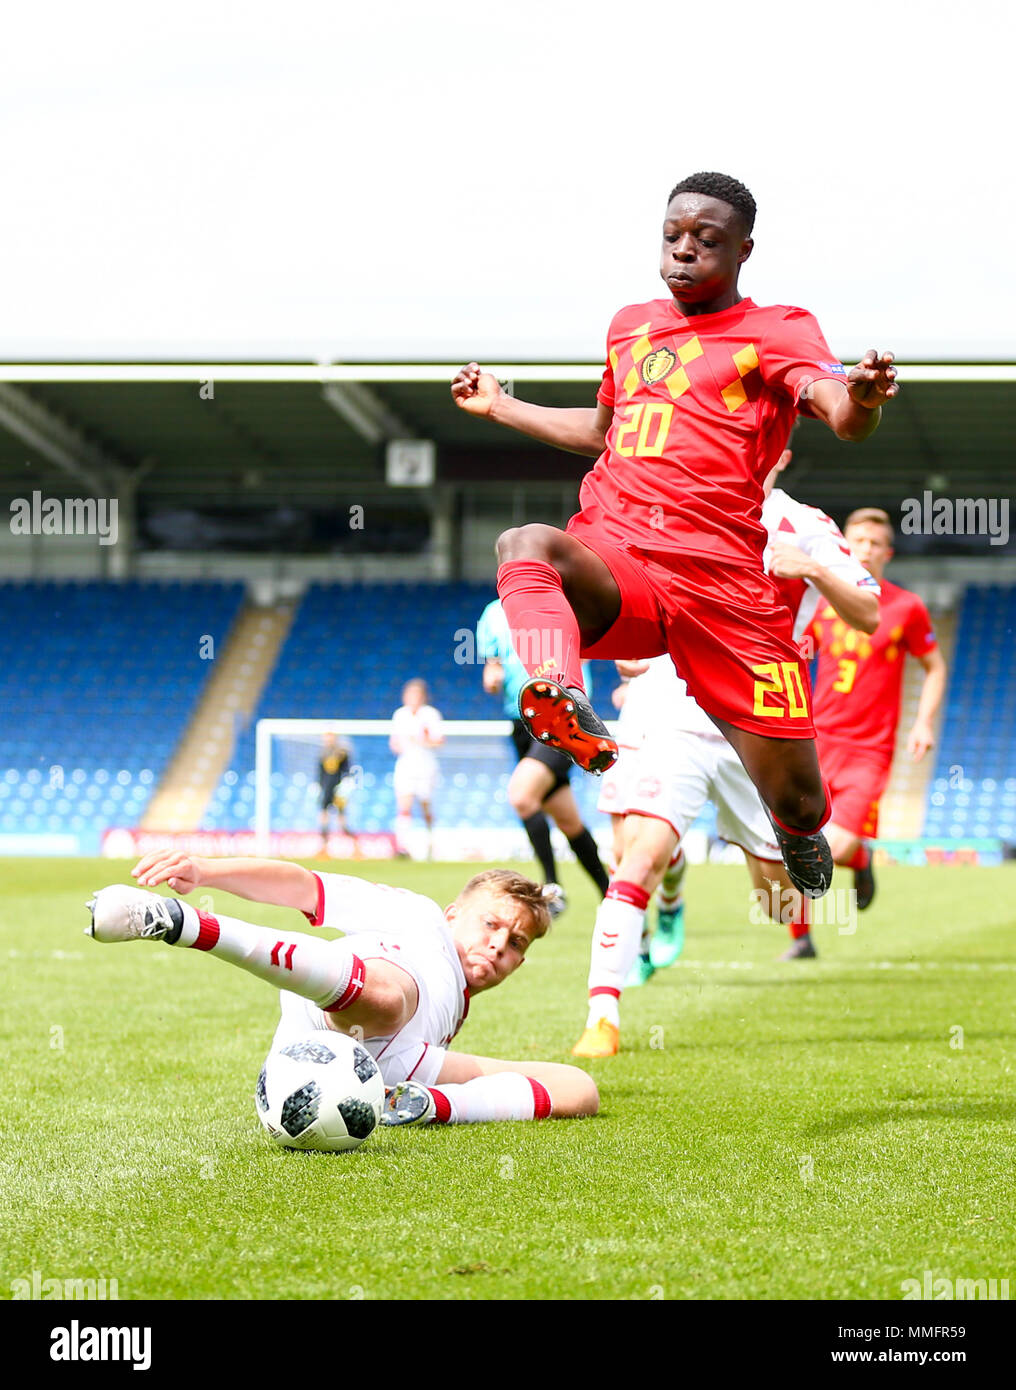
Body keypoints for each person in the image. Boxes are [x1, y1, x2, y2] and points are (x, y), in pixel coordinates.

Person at [452, 170, 898, 902]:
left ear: (744, 249)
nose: (683, 251)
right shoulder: (632, 325)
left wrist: (864, 398)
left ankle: (794, 829)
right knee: (524, 543)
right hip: (621, 551)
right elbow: (602, 431)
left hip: (725, 590)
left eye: (706, 240)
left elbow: (841, 414)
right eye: (672, 237)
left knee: (798, 801)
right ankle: (560, 694)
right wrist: (503, 407)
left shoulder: (778, 329)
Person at [574, 461, 881, 1055]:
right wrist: (627, 643)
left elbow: (868, 614)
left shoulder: (805, 524)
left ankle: (840, 856)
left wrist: (813, 567)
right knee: (636, 857)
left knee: (776, 899)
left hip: (757, 726)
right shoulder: (671, 498)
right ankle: (602, 1016)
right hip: (671, 709)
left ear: (781, 449)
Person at [84, 853, 599, 1127]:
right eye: (491, 925)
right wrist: (206, 872)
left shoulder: (453, 1010)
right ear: (454, 914)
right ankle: (187, 925)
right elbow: (304, 887)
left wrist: (441, 1102)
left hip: (390, 1065)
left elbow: (569, 1091)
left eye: (514, 943)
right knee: (389, 998)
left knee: (580, 1090)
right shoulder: (419, 918)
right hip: (352, 990)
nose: (497, 946)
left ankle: (424, 1106)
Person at [808, 507, 946, 913]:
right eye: (859, 541)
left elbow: (935, 666)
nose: (866, 550)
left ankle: (860, 857)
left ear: (889, 552)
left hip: (869, 751)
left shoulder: (906, 607)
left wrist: (923, 723)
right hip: (815, 741)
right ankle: (801, 942)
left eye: (875, 543)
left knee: (832, 848)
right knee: (795, 844)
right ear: (844, 546)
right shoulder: (818, 601)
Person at [476, 597, 610, 913]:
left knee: (521, 796)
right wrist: (492, 678)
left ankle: (552, 888)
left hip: (562, 716)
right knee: (567, 819)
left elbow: (585, 650)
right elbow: (491, 668)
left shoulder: (557, 603)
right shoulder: (493, 614)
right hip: (520, 722)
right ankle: (613, 896)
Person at [389, 678, 443, 859]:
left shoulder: (431, 714)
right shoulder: (400, 715)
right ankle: (402, 847)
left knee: (426, 806)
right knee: (404, 805)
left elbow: (438, 740)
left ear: (423, 697)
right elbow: (394, 742)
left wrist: (421, 740)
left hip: (426, 766)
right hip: (406, 766)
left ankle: (431, 844)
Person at [317, 732, 353, 852]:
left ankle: (355, 846)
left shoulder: (342, 753)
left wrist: (345, 783)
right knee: (323, 816)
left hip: (338, 789)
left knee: (341, 820)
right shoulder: (322, 754)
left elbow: (347, 770)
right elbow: (320, 773)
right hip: (326, 789)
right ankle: (323, 847)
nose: (328, 740)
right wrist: (318, 786)